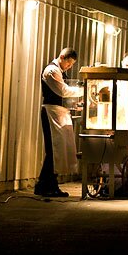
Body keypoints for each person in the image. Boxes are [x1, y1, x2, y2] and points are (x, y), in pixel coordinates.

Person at [36, 47, 84, 197]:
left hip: (59, 112)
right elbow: (62, 91)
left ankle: (47, 185)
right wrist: (83, 90)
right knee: (54, 150)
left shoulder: (60, 71)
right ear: (62, 57)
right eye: (69, 63)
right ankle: (46, 186)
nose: (69, 67)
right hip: (51, 112)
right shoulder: (51, 70)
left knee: (58, 151)